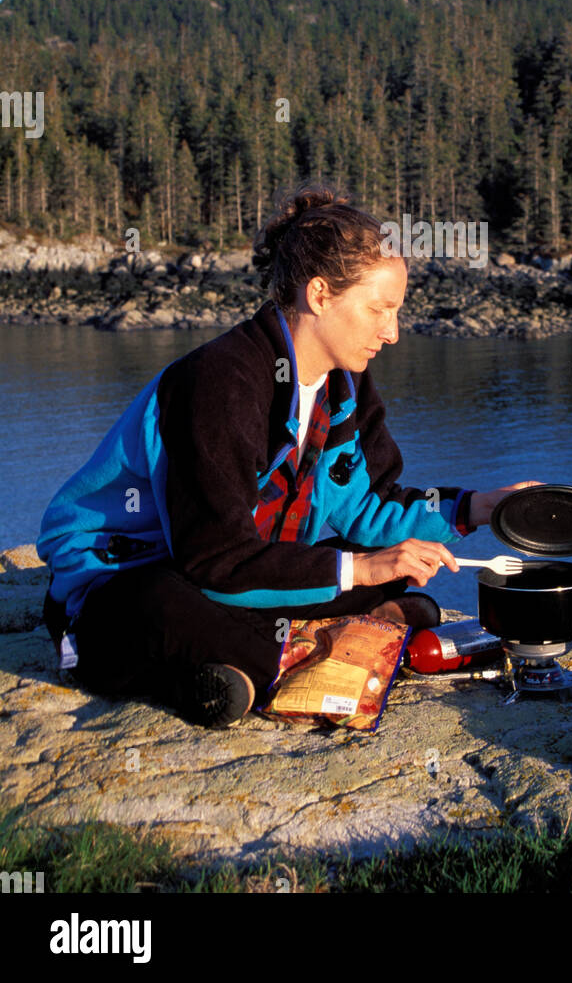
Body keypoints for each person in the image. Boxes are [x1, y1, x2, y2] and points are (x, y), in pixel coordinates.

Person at [37, 184, 540, 728]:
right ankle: (253, 661)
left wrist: (482, 508)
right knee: (166, 606)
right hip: (134, 575)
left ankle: (251, 668)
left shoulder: (345, 384)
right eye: (379, 309)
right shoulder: (218, 381)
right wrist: (362, 569)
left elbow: (370, 508)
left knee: (401, 578)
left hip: (233, 571)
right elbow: (214, 557)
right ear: (320, 294)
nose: (391, 333)